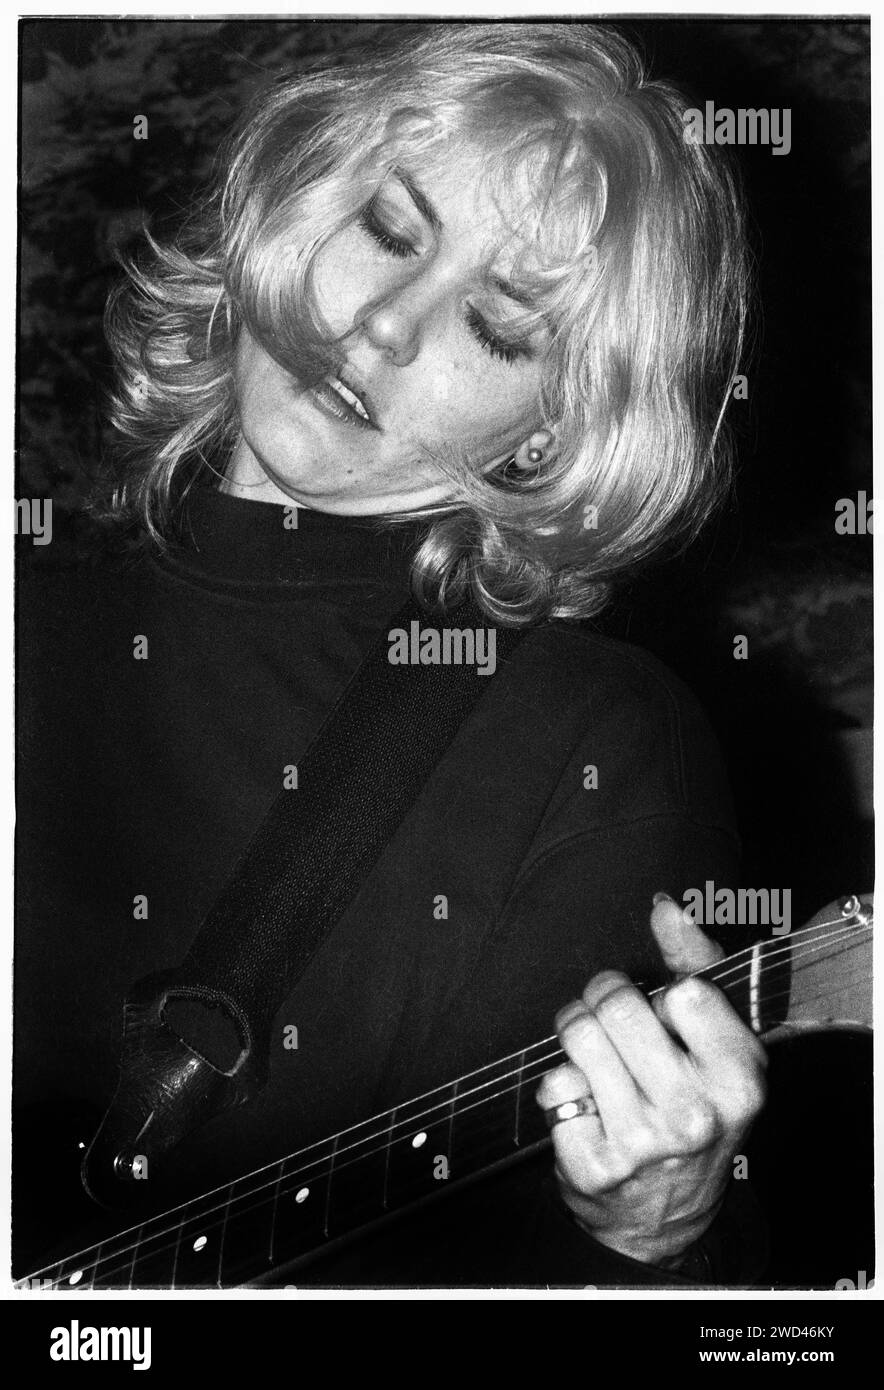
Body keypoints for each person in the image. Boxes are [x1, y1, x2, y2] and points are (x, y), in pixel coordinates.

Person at [15, 21, 768, 1287]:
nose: (383, 326)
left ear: (548, 436)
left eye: (497, 325)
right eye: (390, 230)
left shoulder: (587, 744)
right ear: (298, 206)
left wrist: (659, 1233)